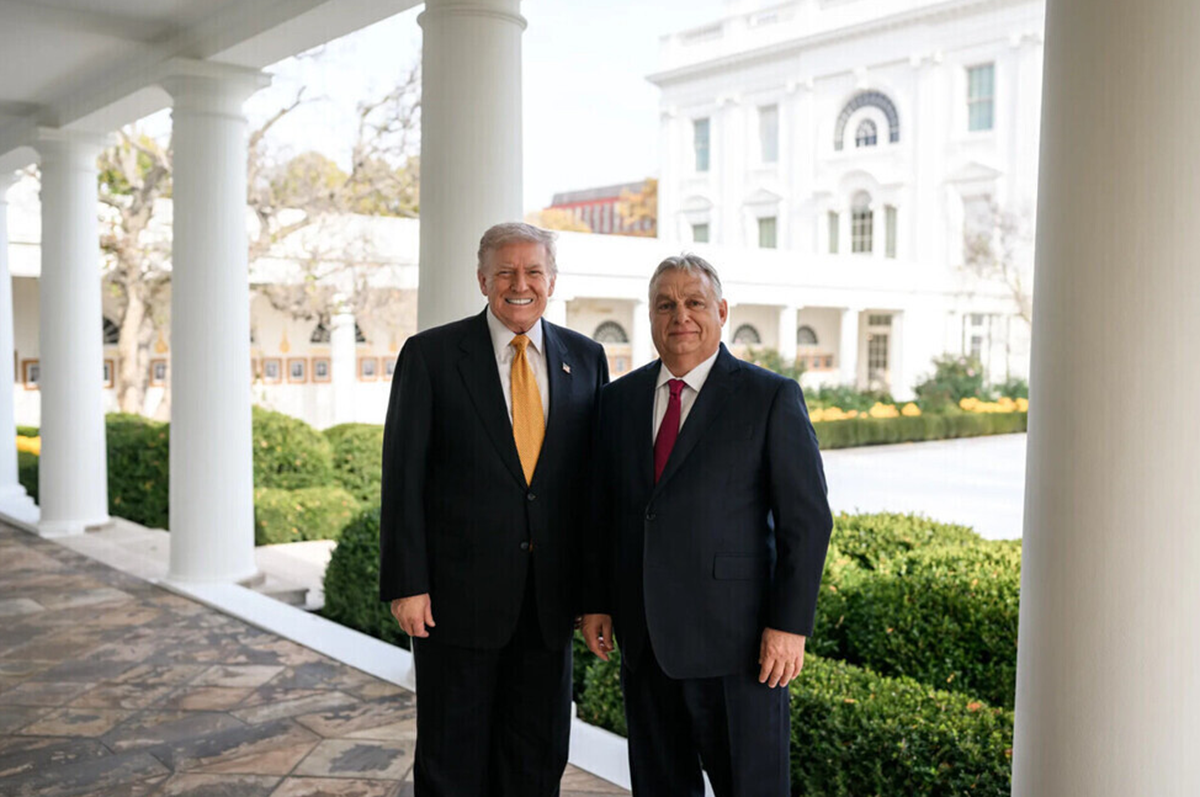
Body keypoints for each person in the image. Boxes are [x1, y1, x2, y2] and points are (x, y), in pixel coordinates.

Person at [580, 254, 832, 796]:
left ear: (720, 311)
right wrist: (597, 600)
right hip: (647, 645)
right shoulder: (617, 402)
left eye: (694, 302)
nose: (681, 316)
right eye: (665, 304)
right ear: (650, 316)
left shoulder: (769, 397)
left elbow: (806, 521)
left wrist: (789, 626)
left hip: (739, 650)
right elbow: (604, 511)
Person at [380, 222, 609, 796]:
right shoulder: (430, 356)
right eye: (505, 271)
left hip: (547, 607)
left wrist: (595, 596)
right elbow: (402, 478)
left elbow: (594, 490)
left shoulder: (587, 358)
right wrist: (407, 584)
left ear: (552, 282)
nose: (520, 284)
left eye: (533, 271)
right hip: (454, 606)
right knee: (451, 760)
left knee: (536, 758)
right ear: (482, 279)